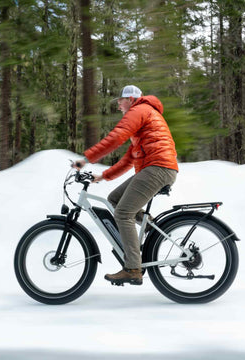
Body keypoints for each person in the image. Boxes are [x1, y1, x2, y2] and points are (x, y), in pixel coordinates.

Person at [73, 85, 178, 286]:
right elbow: (128, 159)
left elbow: (116, 137)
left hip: (158, 168)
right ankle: (153, 231)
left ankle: (132, 269)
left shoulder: (139, 110)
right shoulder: (144, 118)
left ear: (130, 99)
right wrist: (102, 176)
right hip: (157, 168)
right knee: (114, 199)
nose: (118, 105)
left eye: (120, 101)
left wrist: (86, 158)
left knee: (122, 213)